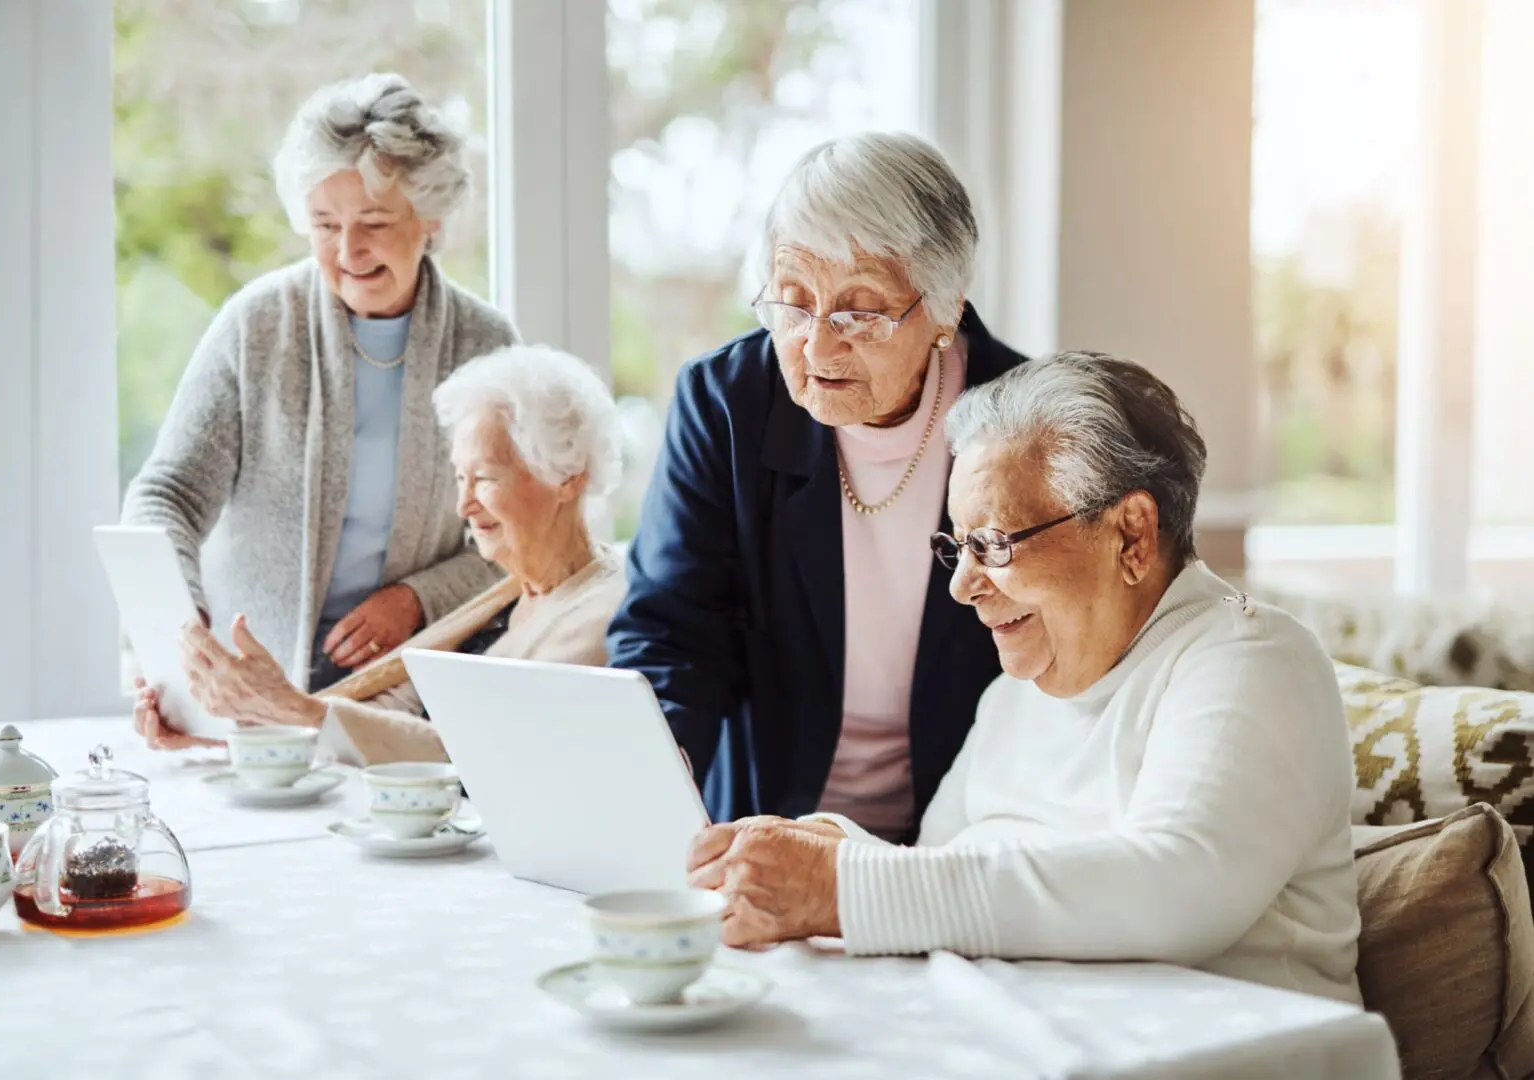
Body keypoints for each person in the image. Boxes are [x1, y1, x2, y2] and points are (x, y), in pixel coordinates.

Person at [685, 352, 1363, 1006]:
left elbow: (1174, 889)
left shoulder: (1251, 659)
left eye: (994, 545)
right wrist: (826, 847)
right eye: (957, 545)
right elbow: (936, 876)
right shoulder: (1015, 692)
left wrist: (842, 887)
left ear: (1131, 534)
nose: (961, 585)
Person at [607, 132, 1030, 840]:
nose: (816, 344)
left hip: (969, 835)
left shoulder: (1027, 419)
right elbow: (672, 631)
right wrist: (661, 764)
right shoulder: (727, 405)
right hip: (767, 823)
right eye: (794, 302)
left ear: (947, 306)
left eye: (859, 310)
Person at [122, 73, 517, 693]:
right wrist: (180, 622)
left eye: (375, 222)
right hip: (249, 676)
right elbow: (166, 493)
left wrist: (417, 600)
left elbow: (522, 538)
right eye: (325, 225)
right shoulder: (256, 326)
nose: (349, 250)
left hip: (413, 683)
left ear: (430, 217)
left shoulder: (485, 346)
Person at [132, 345, 626, 766]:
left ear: (568, 477)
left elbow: (480, 755)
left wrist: (291, 711)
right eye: (460, 478)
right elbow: (388, 711)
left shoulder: (606, 613)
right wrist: (227, 720)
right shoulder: (503, 597)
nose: (464, 505)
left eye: (486, 479)